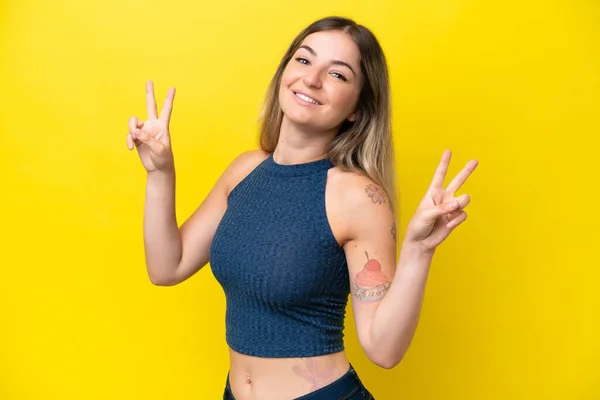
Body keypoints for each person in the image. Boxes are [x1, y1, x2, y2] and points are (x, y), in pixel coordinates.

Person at [126, 15, 477, 400]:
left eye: (339, 75)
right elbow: (166, 267)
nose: (311, 79)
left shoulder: (356, 196)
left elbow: (383, 348)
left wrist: (418, 252)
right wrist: (160, 172)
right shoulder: (245, 171)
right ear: (284, 72)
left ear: (357, 109)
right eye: (304, 60)